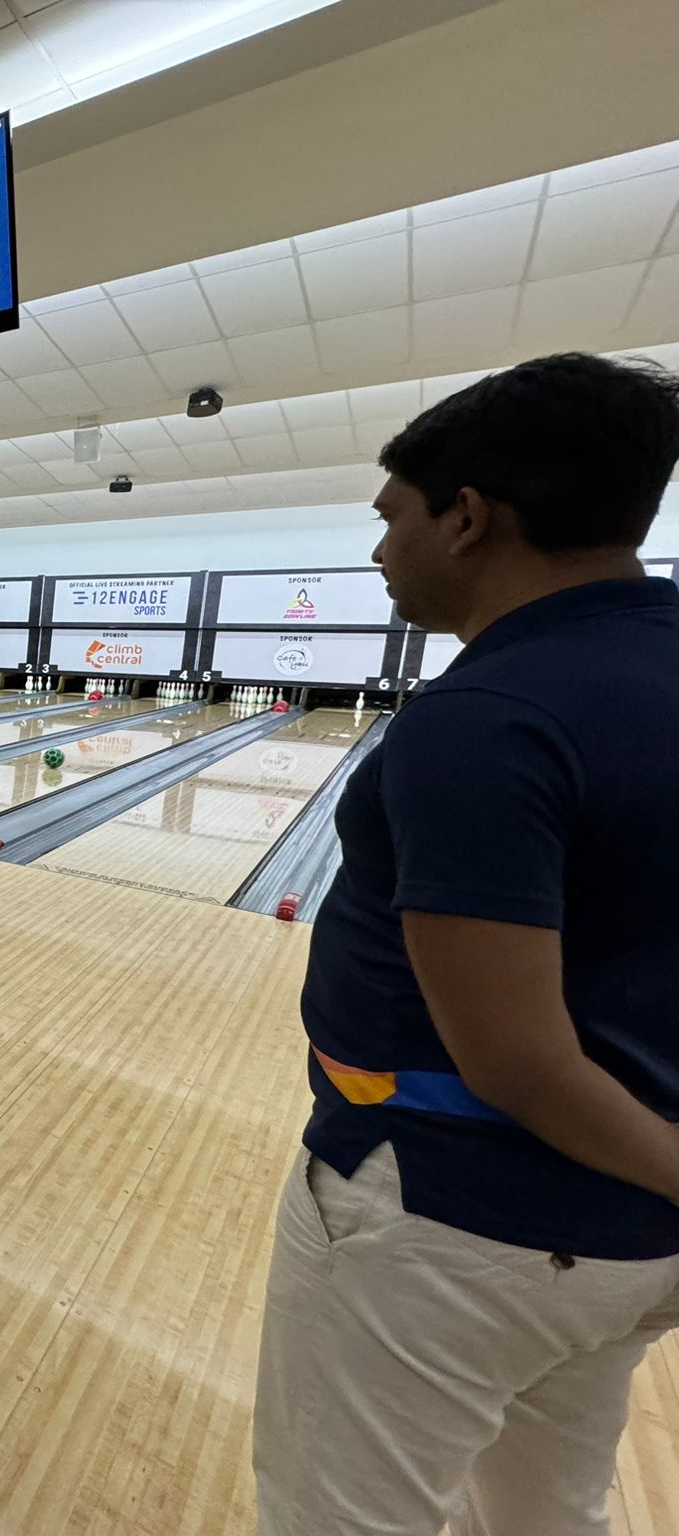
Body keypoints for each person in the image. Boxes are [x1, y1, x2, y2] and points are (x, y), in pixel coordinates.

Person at [254, 353, 679, 1536]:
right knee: (548, 1517)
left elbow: (513, 1060)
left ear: (468, 515)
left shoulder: (484, 719)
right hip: (625, 1251)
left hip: (448, 1224)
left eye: (389, 517)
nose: (377, 551)